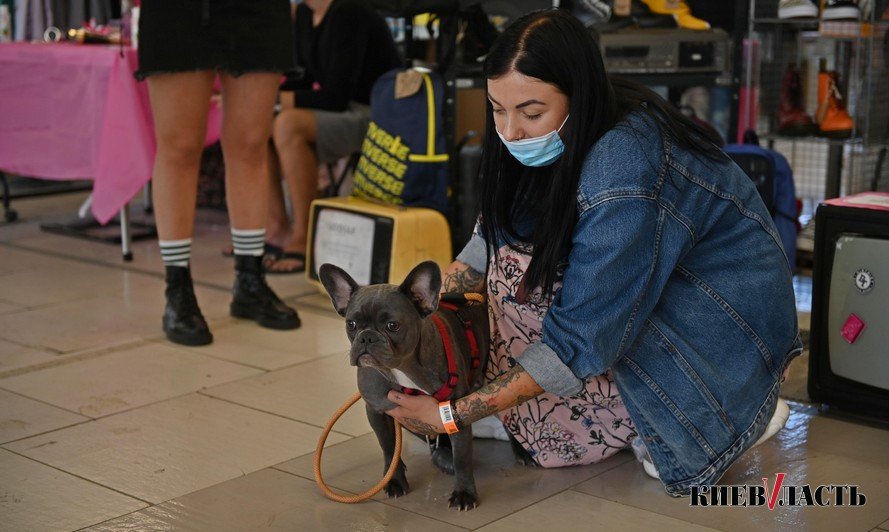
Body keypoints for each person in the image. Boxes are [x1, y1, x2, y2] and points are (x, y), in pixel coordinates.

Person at [386, 9, 802, 495]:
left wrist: (452, 414)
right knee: (515, 272)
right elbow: (487, 244)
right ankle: (588, 413)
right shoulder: (543, 133)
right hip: (614, 318)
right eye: (497, 108)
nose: (511, 130)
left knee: (544, 296)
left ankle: (732, 405)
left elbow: (580, 337)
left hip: (709, 326)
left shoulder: (625, 164)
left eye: (531, 113)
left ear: (576, 98)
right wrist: (415, 313)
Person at [136, 1, 301, 346]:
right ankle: (177, 288)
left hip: (257, 11)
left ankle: (249, 280)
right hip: (178, 11)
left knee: (251, 143)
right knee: (179, 147)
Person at [262, 0, 402, 273]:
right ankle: (278, 227)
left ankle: (304, 236)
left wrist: (276, 99)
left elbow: (336, 95)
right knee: (260, 124)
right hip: (344, 108)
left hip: (375, 112)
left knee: (287, 125)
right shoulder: (305, 13)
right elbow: (306, 78)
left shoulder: (351, 11)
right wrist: (264, 101)